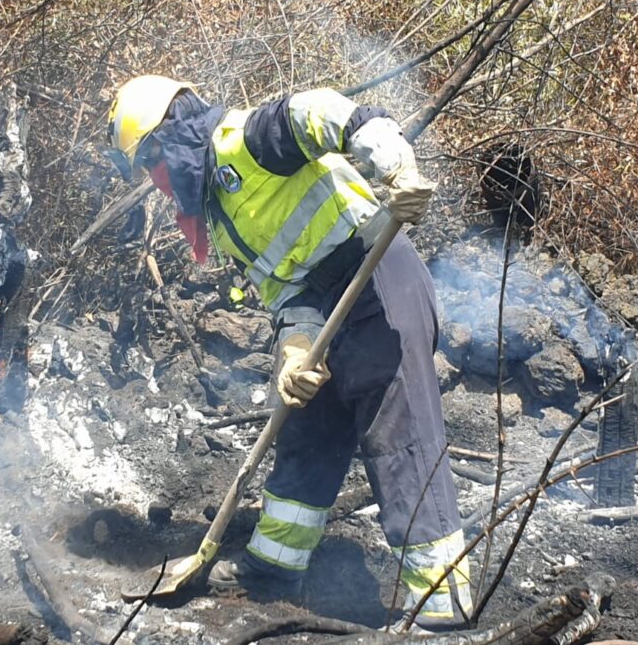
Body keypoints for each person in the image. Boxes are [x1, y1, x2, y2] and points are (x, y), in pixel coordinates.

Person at [106, 75, 472, 631]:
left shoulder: (246, 140)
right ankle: (275, 567)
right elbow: (282, 285)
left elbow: (325, 112)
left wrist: (396, 167)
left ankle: (441, 601)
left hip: (375, 272)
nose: (155, 180)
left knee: (397, 431)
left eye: (151, 160)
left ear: (171, 138)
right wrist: (295, 349)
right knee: (306, 428)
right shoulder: (221, 212)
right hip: (321, 305)